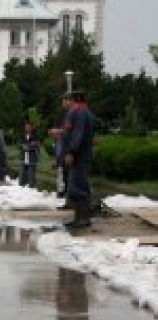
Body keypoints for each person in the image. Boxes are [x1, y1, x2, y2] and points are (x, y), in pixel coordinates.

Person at [61, 90, 97, 229]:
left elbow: (77, 134)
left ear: (72, 100)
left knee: (78, 187)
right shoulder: (86, 112)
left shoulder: (77, 112)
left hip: (79, 157)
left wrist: (71, 152)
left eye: (65, 100)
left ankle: (83, 219)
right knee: (79, 185)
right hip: (83, 155)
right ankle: (80, 218)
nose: (63, 103)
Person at [19, 121, 40, 187]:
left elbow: (36, 145)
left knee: (31, 173)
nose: (27, 128)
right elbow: (20, 144)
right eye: (26, 126)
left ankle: (31, 186)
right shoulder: (22, 135)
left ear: (31, 127)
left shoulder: (35, 136)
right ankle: (22, 185)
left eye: (28, 126)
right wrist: (24, 146)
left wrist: (28, 146)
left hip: (32, 157)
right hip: (23, 156)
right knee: (22, 173)